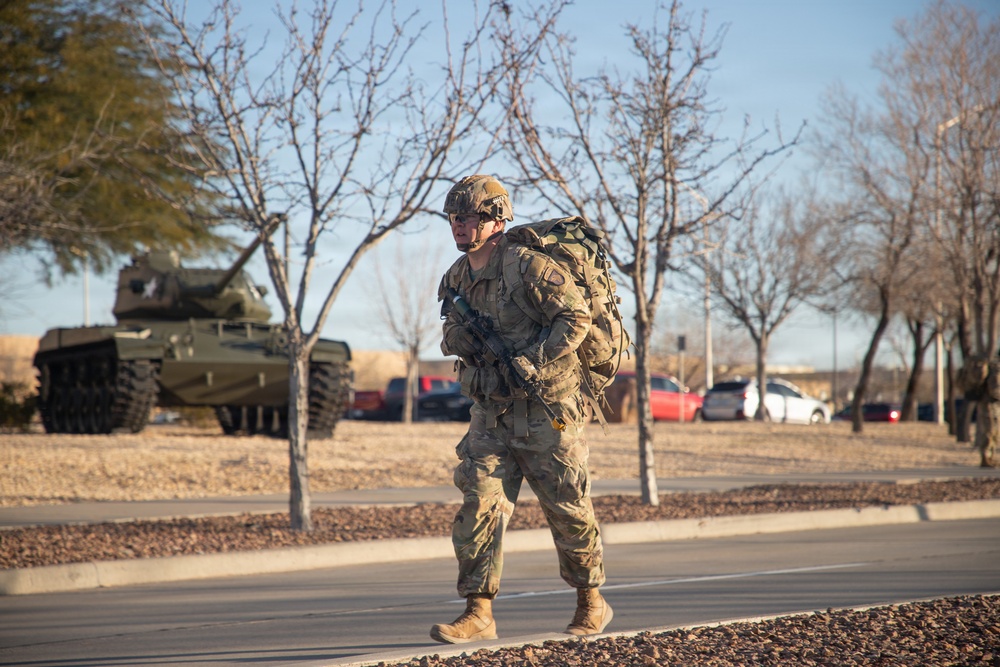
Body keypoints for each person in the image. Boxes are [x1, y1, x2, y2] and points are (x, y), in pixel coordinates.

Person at [430, 174, 613, 644]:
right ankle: (478, 611)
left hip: (546, 408)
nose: (459, 225)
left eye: (468, 216)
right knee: (479, 505)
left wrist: (534, 361)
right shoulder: (456, 277)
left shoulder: (527, 266)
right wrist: (460, 338)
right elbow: (448, 333)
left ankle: (591, 603)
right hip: (491, 411)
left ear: (496, 219)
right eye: (454, 217)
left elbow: (575, 317)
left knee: (568, 507)